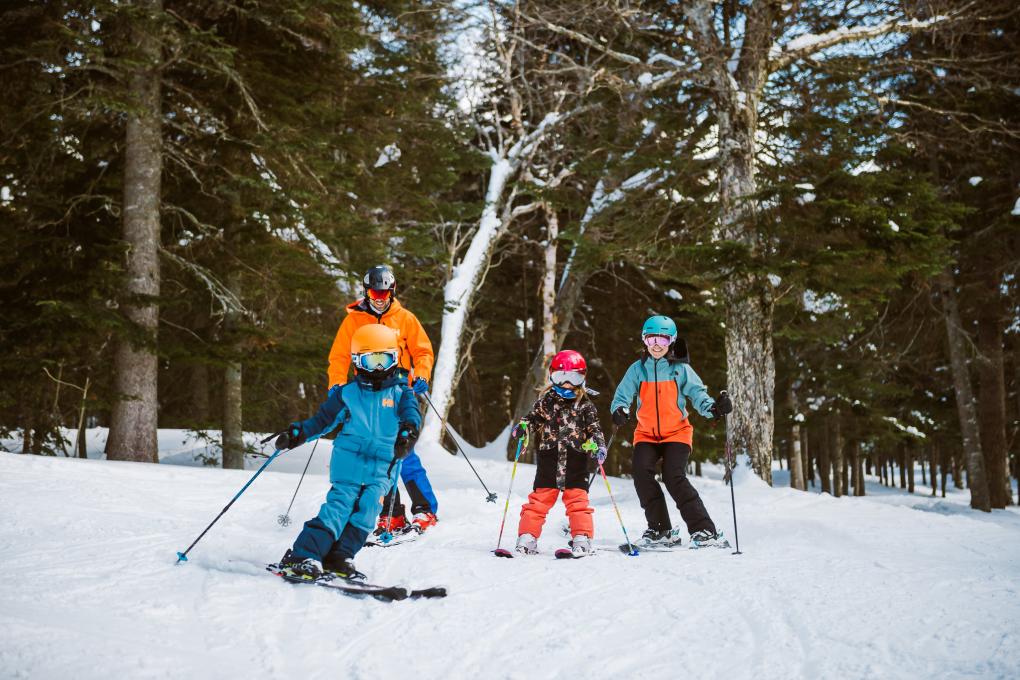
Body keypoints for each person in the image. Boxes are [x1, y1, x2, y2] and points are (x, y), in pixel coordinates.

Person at [277, 324, 420, 581]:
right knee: (340, 507)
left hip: (383, 465)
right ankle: (303, 555)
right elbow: (321, 421)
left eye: (383, 360)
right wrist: (297, 434)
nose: (378, 368)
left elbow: (412, 416)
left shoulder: (402, 393)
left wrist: (407, 433)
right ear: (357, 361)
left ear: (394, 359)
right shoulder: (348, 394)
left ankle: (339, 556)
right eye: (371, 360)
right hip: (349, 460)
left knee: (367, 512)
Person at [327, 265, 439, 536]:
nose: (380, 297)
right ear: (366, 291)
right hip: (365, 390)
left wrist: (421, 375)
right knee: (378, 452)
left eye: (385, 292)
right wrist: (336, 384)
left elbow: (423, 351)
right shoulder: (353, 321)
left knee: (404, 448)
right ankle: (392, 514)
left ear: (392, 291)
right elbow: (340, 356)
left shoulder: (405, 318)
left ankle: (425, 508)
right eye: (375, 292)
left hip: (399, 387)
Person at [609, 315, 732, 548]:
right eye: (651, 338)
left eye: (663, 340)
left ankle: (704, 530)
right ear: (644, 340)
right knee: (641, 473)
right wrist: (619, 409)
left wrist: (714, 408)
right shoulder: (637, 370)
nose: (656, 345)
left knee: (673, 476)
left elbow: (697, 394)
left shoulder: (680, 369)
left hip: (677, 433)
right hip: (646, 434)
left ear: (671, 342)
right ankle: (660, 530)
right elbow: (622, 396)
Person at [510, 350, 607, 557]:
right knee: (538, 501)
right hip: (549, 458)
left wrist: (599, 445)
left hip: (576, 460)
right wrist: (523, 428)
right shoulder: (546, 402)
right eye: (561, 377)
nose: (567, 384)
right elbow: (533, 419)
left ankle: (582, 538)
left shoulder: (585, 406)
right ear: (552, 376)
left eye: (574, 377)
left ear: (582, 377)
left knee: (578, 502)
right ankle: (527, 538)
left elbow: (595, 429)